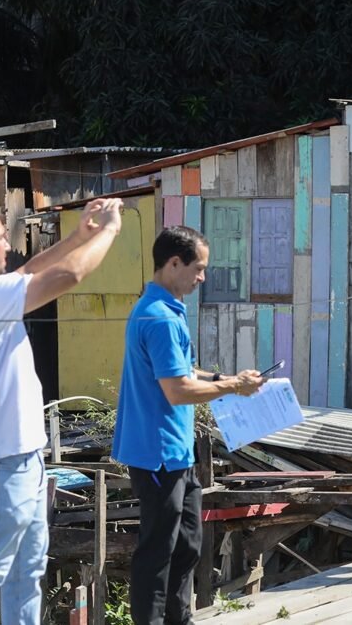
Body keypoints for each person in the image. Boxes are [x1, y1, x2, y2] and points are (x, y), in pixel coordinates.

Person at [0, 197, 124, 624]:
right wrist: (109, 231)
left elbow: (28, 271)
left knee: (25, 575)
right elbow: (69, 275)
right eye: (1, 237)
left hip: (16, 457)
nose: (8, 246)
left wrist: (77, 236)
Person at [112, 226, 265, 624]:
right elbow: (178, 390)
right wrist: (234, 387)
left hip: (177, 449)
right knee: (158, 549)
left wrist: (221, 378)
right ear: (174, 263)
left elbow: (182, 370)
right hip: (157, 450)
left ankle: (179, 618)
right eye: (198, 268)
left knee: (189, 543)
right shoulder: (159, 318)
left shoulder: (164, 308)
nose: (202, 277)